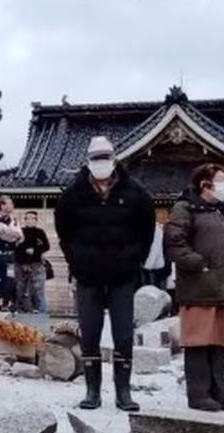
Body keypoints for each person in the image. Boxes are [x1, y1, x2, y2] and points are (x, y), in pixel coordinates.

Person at [55, 136, 155, 412]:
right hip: (88, 276)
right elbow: (64, 233)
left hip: (123, 276)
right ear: (87, 161)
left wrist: (135, 261)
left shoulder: (135, 193)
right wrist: (76, 262)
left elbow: (146, 231)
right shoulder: (72, 195)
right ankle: (92, 390)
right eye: (96, 159)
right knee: (90, 333)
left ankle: (124, 391)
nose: (101, 164)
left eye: (105, 158)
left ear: (114, 159)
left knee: (123, 334)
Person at [164, 164, 224, 412]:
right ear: (205, 184)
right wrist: (198, 264)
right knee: (199, 342)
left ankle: (219, 392)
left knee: (221, 342)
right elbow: (174, 243)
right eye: (222, 181)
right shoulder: (185, 208)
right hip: (199, 287)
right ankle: (198, 394)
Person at [16, 211, 50, 313]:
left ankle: (38, 308)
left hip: (36, 263)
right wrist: (24, 252)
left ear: (36, 220)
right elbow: (16, 247)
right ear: (25, 220)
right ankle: (21, 308)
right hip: (21, 263)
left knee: (36, 287)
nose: (30, 220)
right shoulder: (19, 231)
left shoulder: (40, 232)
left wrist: (35, 250)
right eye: (27, 218)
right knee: (20, 287)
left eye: (32, 218)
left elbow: (46, 246)